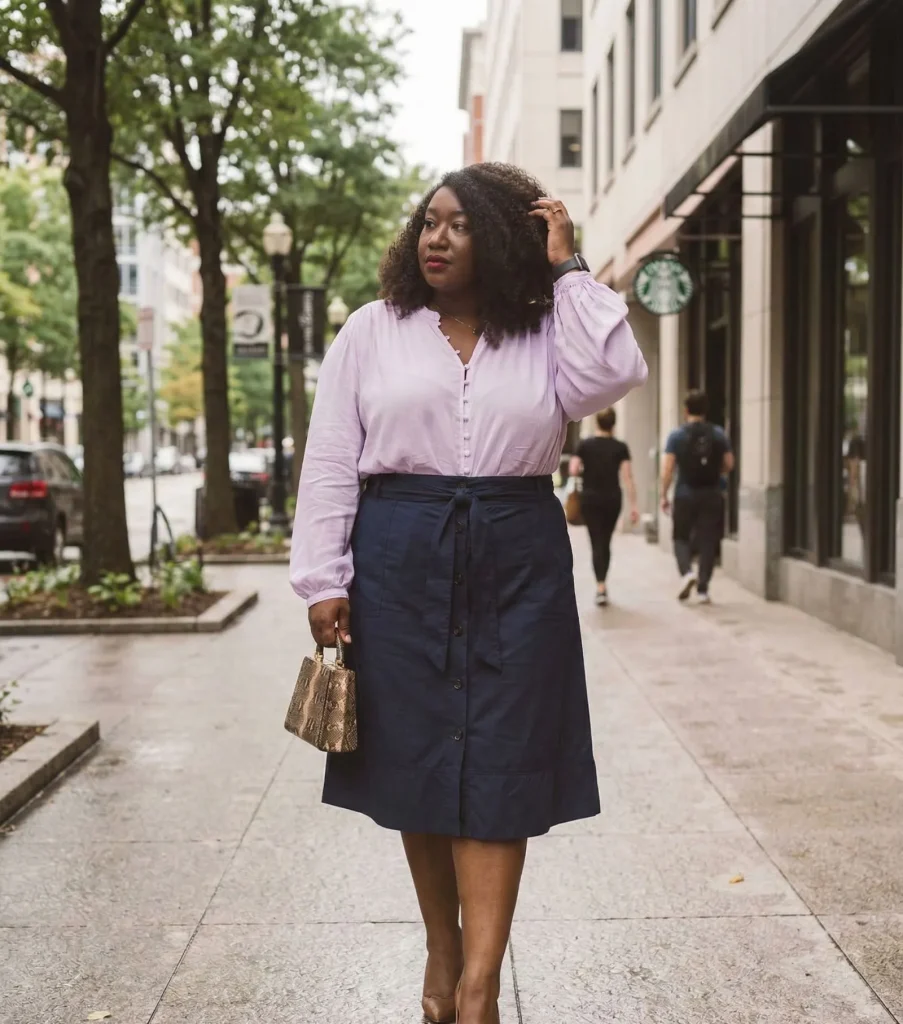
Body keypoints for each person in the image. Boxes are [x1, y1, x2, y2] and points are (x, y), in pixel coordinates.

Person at [290, 162, 647, 1024]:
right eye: (428, 223)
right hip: (398, 552)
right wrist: (323, 578)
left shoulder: (544, 328)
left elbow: (611, 373)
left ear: (501, 234)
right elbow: (332, 457)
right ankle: (440, 950)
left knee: (499, 754)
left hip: (517, 553)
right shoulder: (371, 330)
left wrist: (567, 269)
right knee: (419, 754)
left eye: (459, 223)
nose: (437, 238)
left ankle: (478, 986)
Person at [660, 390, 734, 604]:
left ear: (686, 411)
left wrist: (664, 494)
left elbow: (667, 469)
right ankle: (703, 589)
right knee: (708, 540)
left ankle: (686, 573)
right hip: (711, 493)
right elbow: (729, 463)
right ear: (705, 410)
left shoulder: (677, 436)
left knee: (680, 537)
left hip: (685, 493)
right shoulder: (718, 434)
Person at [569, 407, 639, 606]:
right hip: (612, 499)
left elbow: (573, 469)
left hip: (590, 498)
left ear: (597, 423)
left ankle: (600, 585)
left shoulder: (584, 445)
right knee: (605, 541)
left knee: (595, 541)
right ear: (613, 424)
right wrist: (634, 505)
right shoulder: (620, 447)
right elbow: (628, 477)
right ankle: (603, 583)